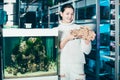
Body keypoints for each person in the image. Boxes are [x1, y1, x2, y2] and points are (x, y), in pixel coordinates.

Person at [57, 4, 96, 80]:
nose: (70, 16)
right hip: (62, 66)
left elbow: (86, 51)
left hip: (77, 66)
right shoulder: (56, 30)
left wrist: (88, 39)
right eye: (67, 13)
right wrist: (67, 38)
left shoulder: (79, 29)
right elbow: (55, 51)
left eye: (72, 14)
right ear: (61, 14)